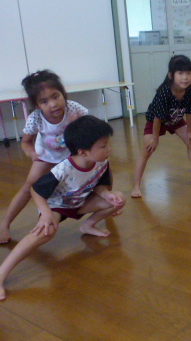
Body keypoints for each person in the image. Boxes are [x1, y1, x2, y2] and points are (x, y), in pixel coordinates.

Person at [0, 115, 126, 300]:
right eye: (103, 146)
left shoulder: (101, 162)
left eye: (108, 144)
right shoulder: (63, 169)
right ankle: (2, 273)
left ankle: (87, 225)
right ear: (82, 152)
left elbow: (100, 186)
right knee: (45, 232)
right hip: (57, 206)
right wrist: (45, 214)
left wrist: (108, 195)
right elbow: (36, 190)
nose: (109, 149)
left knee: (119, 198)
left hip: (80, 202)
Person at [0, 70, 88, 244]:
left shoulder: (74, 108)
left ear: (63, 94)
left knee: (99, 169)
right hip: (46, 155)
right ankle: (4, 224)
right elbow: (26, 141)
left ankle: (108, 202)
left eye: (56, 96)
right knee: (28, 187)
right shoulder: (36, 119)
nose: (53, 104)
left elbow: (91, 130)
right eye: (44, 101)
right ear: (36, 105)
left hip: (71, 153)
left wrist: (77, 124)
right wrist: (32, 154)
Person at [131, 55, 191, 198]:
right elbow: (158, 118)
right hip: (156, 122)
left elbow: (190, 112)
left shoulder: (190, 91)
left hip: (175, 119)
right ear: (171, 75)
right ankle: (136, 185)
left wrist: (190, 131)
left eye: (188, 73)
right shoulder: (164, 92)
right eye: (180, 73)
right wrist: (155, 139)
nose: (185, 77)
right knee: (147, 150)